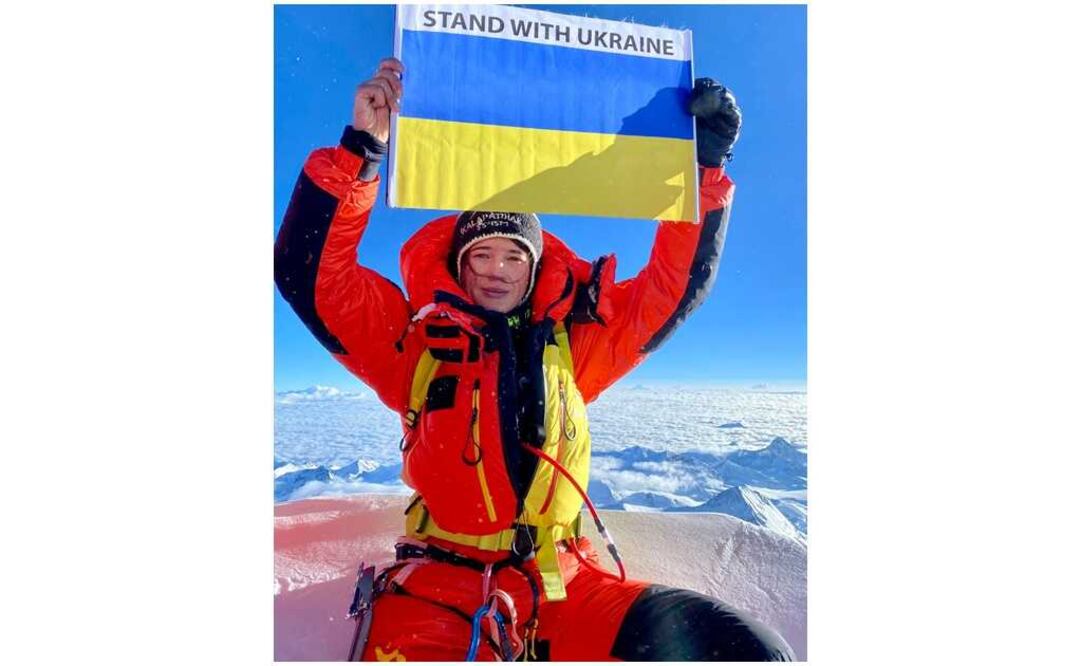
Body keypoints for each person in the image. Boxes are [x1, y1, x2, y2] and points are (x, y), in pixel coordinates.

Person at [275, 56, 794, 662]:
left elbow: (668, 292)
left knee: (740, 650)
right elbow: (310, 276)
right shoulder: (410, 343)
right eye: (481, 255)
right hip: (441, 588)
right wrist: (362, 147)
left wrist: (702, 168)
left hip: (565, 583)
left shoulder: (575, 345)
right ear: (459, 265)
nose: (496, 270)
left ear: (536, 266)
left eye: (513, 256)